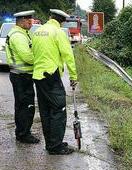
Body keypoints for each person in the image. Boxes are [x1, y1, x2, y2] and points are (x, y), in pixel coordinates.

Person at [32, 9, 78, 155]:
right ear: (62, 21)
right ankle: (56, 146)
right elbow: (68, 55)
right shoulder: (58, 32)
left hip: (38, 76)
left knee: (45, 111)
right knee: (58, 110)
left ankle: (51, 143)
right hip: (51, 76)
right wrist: (73, 76)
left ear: (50, 17)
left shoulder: (38, 31)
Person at [5, 10, 40, 144]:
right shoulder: (18, 36)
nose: (32, 23)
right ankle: (24, 134)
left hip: (22, 76)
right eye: (30, 21)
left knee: (22, 105)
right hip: (21, 76)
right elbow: (28, 57)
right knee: (25, 106)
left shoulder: (22, 33)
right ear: (23, 21)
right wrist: (41, 60)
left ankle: (22, 132)